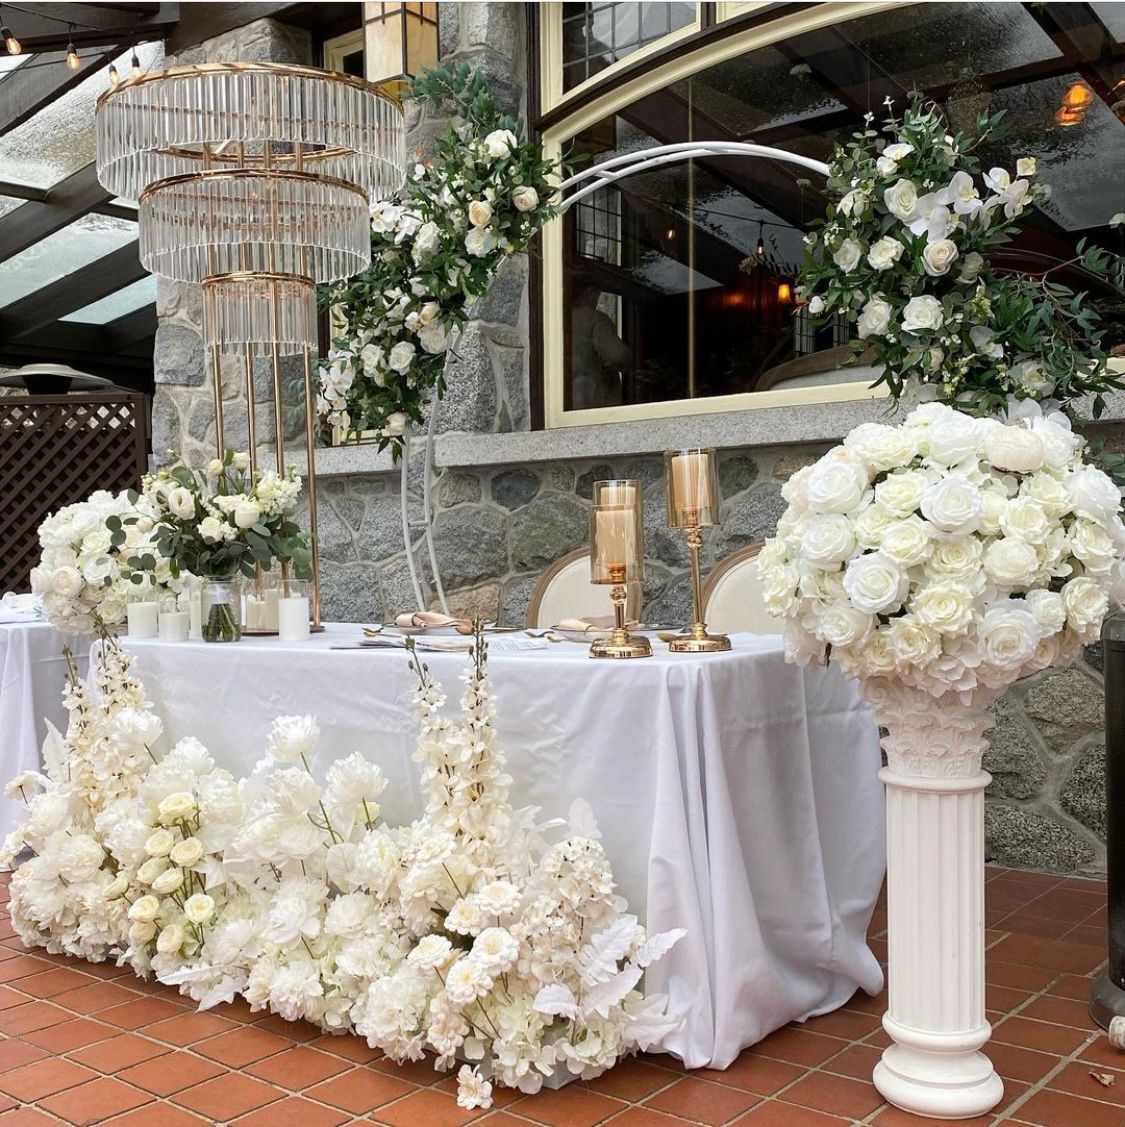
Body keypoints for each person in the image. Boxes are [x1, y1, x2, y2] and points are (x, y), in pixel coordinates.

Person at [570, 284, 631, 409]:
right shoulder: (594, 318)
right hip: (595, 406)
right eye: (598, 293)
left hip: (568, 408)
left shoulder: (556, 320)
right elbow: (617, 356)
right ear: (590, 291)